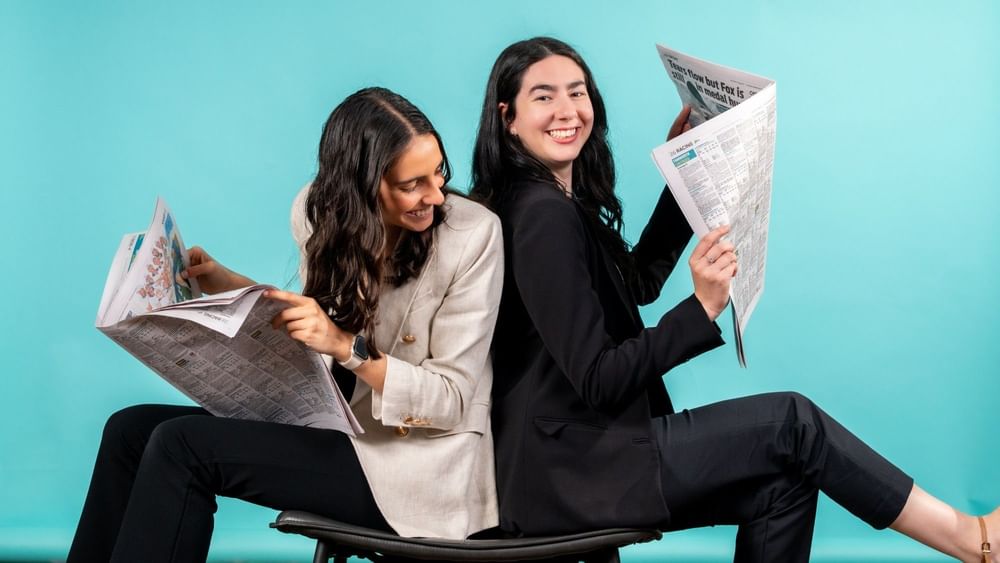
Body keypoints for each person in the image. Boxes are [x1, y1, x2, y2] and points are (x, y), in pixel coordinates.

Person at [469, 37, 996, 563]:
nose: (567, 111)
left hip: (584, 459)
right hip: (576, 469)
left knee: (784, 481)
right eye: (543, 97)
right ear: (507, 116)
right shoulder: (542, 216)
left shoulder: (552, 203)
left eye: (576, 93)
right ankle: (970, 541)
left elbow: (632, 286)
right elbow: (600, 379)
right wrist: (700, 309)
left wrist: (685, 171)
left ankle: (972, 541)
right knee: (793, 422)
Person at [68, 87, 503, 562]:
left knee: (181, 445)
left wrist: (346, 347)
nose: (435, 196)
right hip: (334, 424)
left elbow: (453, 399)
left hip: (414, 469)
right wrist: (227, 285)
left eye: (439, 172)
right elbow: (317, 319)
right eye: (411, 184)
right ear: (361, 184)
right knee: (128, 428)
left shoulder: (473, 234)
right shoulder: (317, 211)